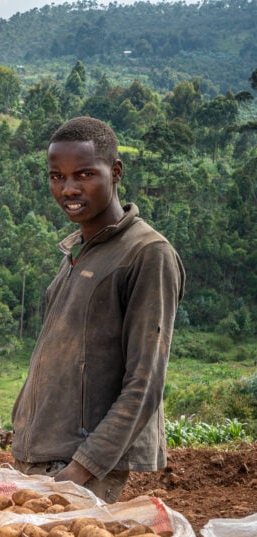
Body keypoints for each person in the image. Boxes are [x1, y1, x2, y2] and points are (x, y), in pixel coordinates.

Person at [11, 116, 185, 503]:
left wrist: (81, 468)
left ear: (116, 171)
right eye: (56, 176)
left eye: (84, 174)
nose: (68, 188)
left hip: (81, 467)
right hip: (42, 457)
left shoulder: (146, 254)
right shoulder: (80, 250)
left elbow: (145, 380)